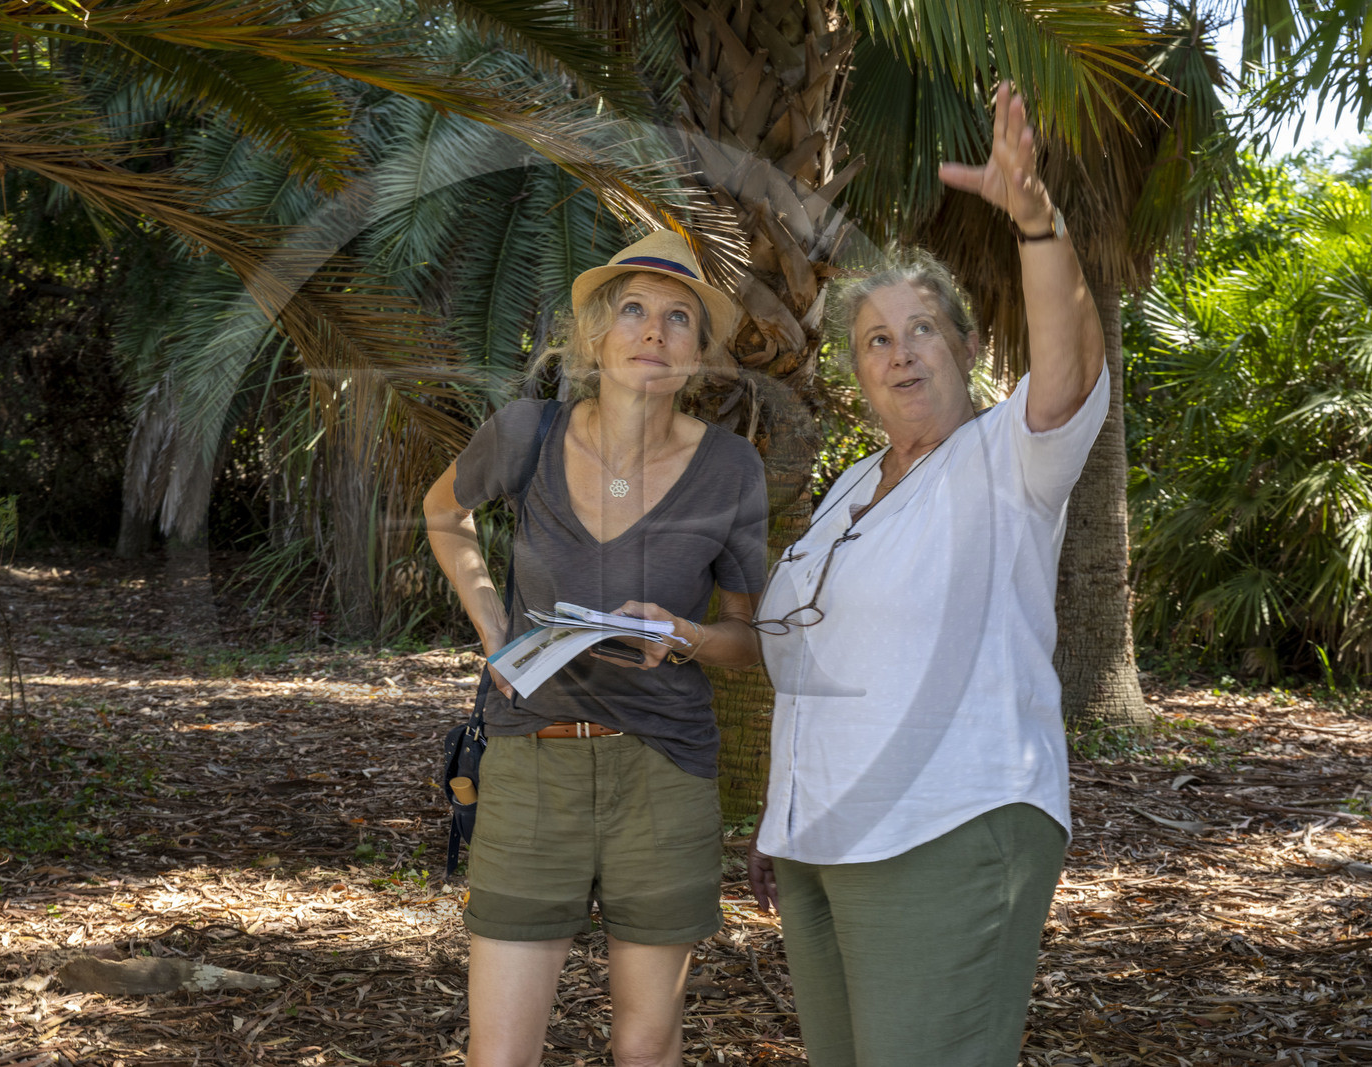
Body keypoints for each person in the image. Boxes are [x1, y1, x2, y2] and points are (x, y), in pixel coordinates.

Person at [746, 84, 1109, 1067]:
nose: (900, 354)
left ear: (970, 347)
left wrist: (1034, 218)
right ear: (858, 375)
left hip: (948, 820)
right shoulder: (848, 490)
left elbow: (1070, 365)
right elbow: (811, 656)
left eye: (922, 331)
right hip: (824, 840)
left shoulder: (1008, 459)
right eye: (876, 340)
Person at [424, 229, 768, 1067]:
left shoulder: (731, 469)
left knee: (645, 1048)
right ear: (595, 338)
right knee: (499, 1054)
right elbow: (444, 514)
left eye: (679, 318)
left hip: (665, 769)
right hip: (529, 762)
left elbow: (747, 638)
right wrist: (493, 627)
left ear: (699, 353)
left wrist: (686, 637)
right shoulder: (526, 435)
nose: (654, 331)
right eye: (634, 311)